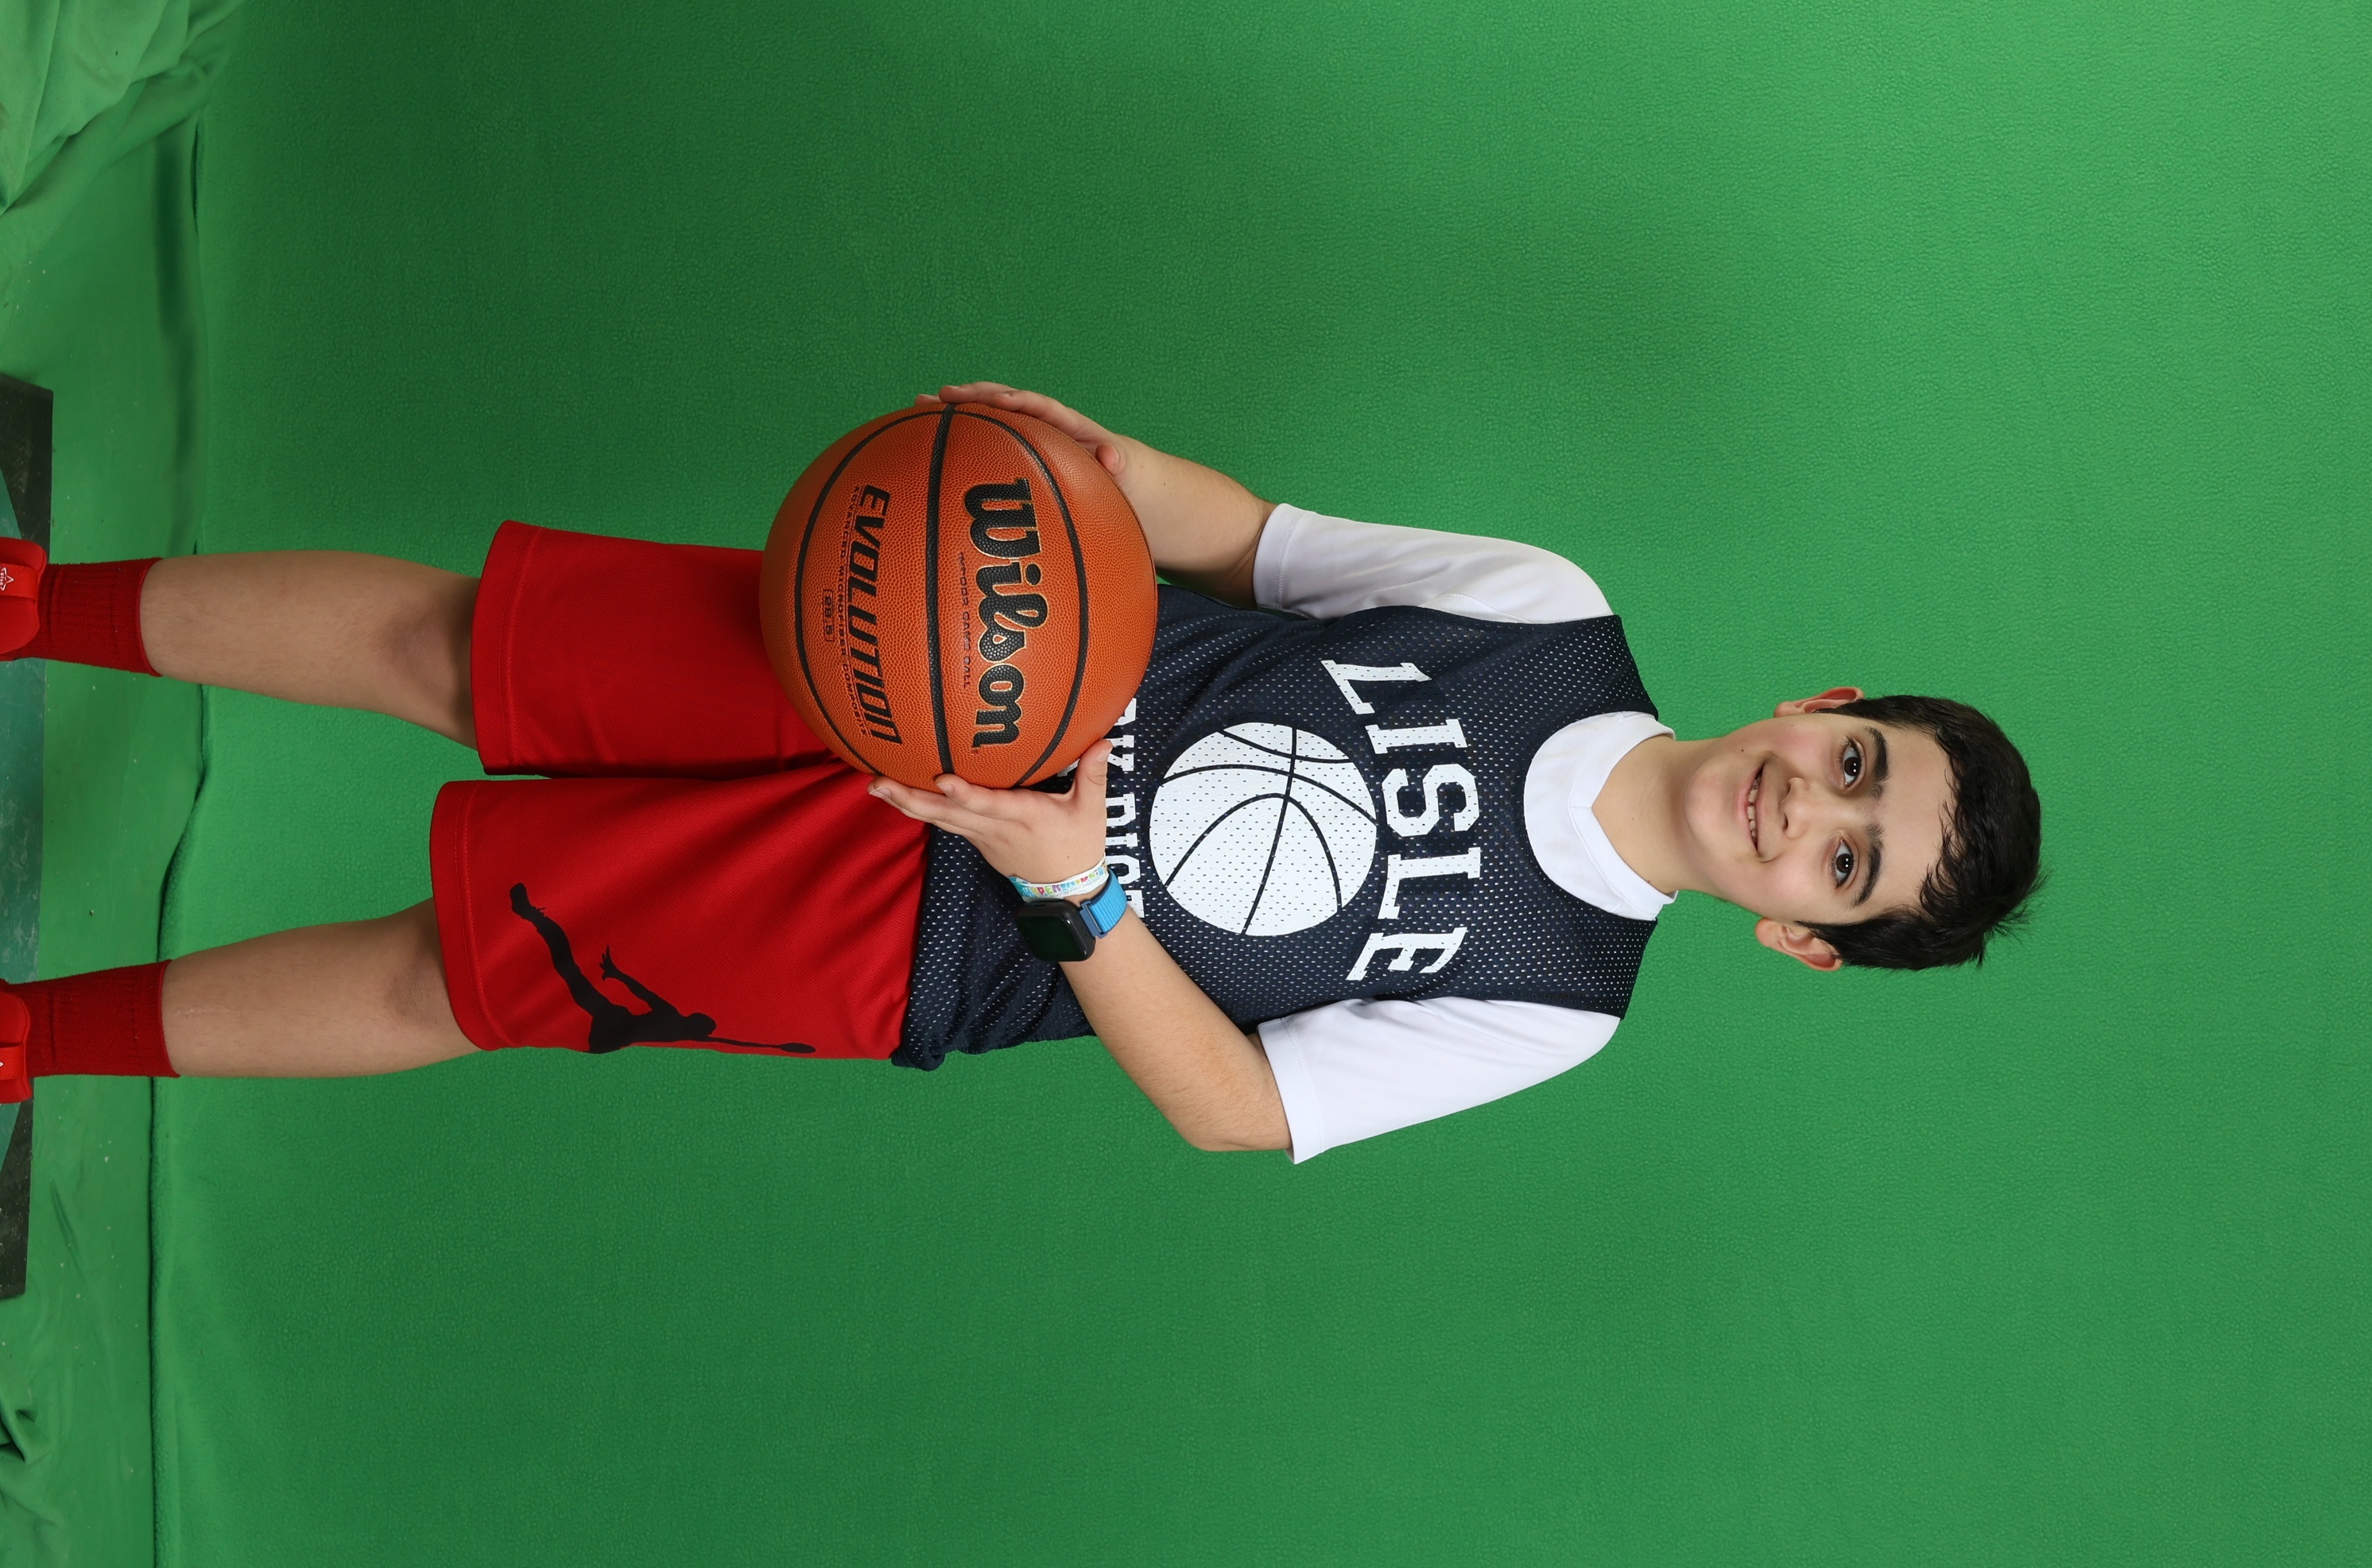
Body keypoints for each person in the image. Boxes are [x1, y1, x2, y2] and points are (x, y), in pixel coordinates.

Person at [0, 382, 2042, 1157]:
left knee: (447, 974)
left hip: (925, 932)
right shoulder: (1546, 609)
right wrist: (1097, 466)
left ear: (1803, 939)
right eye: (1857, 761)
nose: (1814, 808)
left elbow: (1239, 1106)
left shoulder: (1554, 1000)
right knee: (461, 649)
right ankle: (26, 600)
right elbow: (1254, 542)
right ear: (1821, 699)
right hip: (937, 656)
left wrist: (1075, 882)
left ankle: (25, 1041)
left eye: (1849, 863)